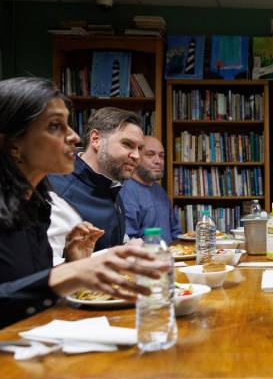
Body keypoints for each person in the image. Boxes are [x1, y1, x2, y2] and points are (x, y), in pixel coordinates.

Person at [0, 77, 166, 328]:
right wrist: (71, 272)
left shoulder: (36, 204)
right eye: (56, 125)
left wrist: (74, 262)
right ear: (13, 144)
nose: (75, 137)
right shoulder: (56, 199)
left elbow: (29, 293)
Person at [47, 106, 145, 264]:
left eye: (139, 148)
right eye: (127, 144)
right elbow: (45, 269)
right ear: (95, 139)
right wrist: (117, 254)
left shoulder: (110, 183)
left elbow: (113, 242)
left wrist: (130, 247)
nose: (136, 156)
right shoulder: (59, 192)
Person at [120, 135, 181, 243]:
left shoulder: (159, 190)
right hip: (145, 258)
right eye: (150, 155)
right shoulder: (127, 192)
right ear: (136, 157)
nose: (158, 161)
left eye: (161, 156)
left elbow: (175, 233)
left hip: (170, 256)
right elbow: (127, 241)